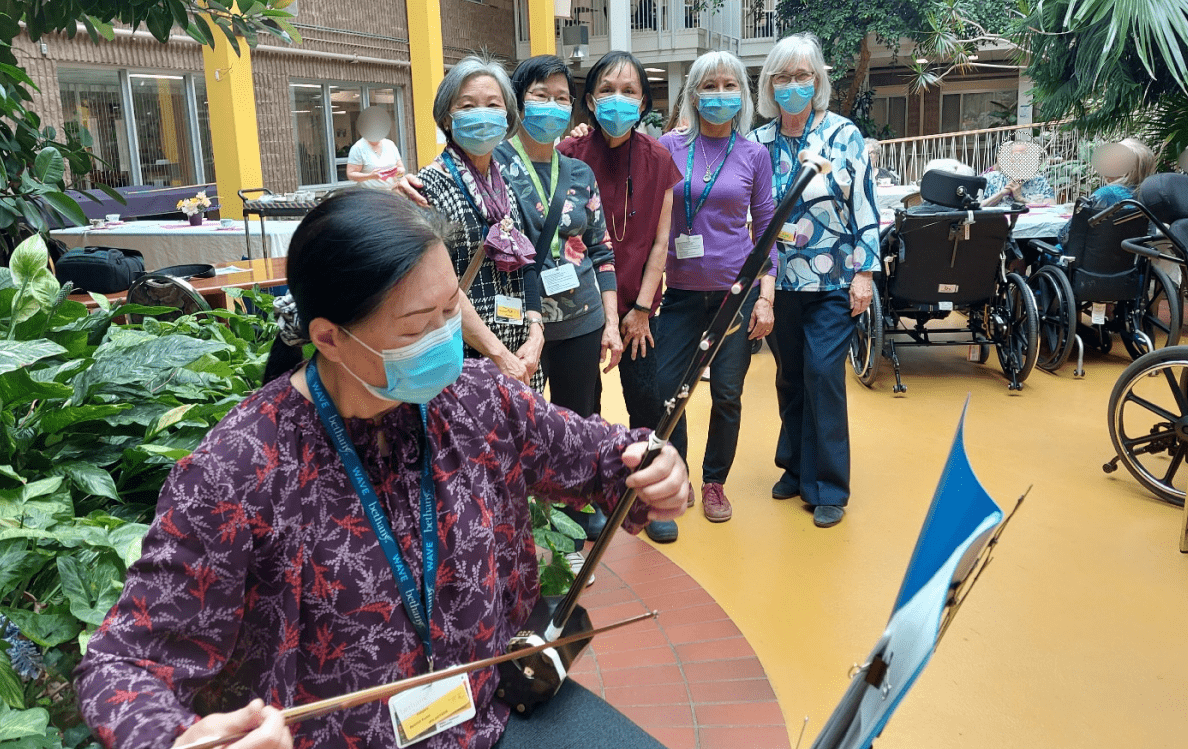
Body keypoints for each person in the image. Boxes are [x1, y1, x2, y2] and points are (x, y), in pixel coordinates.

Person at [73, 190, 689, 749]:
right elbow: (121, 666)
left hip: (490, 717)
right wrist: (177, 739)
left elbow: (603, 458)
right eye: (422, 325)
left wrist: (654, 469)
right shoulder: (239, 471)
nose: (450, 335)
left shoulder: (478, 400)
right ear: (330, 338)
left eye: (453, 308)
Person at [748, 32, 879, 528]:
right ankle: (795, 466)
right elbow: (752, 217)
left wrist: (864, 272)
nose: (792, 85)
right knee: (790, 375)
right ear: (769, 85)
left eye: (803, 76)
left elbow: (865, 206)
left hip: (835, 279)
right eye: (782, 77)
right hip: (778, 283)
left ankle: (828, 485)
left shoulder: (844, 134)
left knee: (823, 373)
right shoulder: (758, 142)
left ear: (818, 80)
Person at [493, 55, 623, 543]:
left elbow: (601, 249)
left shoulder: (579, 172)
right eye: (540, 96)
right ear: (517, 103)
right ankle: (524, 511)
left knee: (577, 417)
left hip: (582, 315)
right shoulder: (493, 165)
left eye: (562, 98)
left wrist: (611, 320)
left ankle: (575, 503)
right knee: (521, 418)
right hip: (517, 325)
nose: (552, 106)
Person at [557, 51, 684, 543]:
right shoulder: (569, 155)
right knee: (580, 405)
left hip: (638, 308)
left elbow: (660, 242)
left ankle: (649, 496)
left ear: (644, 103)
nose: (618, 100)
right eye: (607, 90)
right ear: (589, 100)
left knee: (646, 399)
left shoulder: (659, 159)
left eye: (629, 91)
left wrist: (641, 310)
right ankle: (583, 496)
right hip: (580, 310)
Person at [656, 49, 775, 526]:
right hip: (680, 293)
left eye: (730, 86)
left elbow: (767, 225)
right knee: (670, 388)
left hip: (735, 294)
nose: (719, 95)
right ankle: (679, 471)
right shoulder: (668, 146)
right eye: (710, 86)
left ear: (743, 95)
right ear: (693, 94)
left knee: (727, 393)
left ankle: (713, 481)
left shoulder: (754, 154)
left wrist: (765, 295)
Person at [417, 55, 545, 390]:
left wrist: (536, 329)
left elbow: (525, 259)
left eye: (492, 104)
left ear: (508, 116)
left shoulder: (507, 182)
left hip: (520, 354)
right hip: (468, 360)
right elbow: (439, 287)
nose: (482, 113)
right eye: (468, 105)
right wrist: (500, 356)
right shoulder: (427, 187)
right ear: (448, 116)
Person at [981, 140, 1055, 206]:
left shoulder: (1039, 180)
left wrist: (1021, 199)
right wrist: (1002, 193)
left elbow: (1052, 206)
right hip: (999, 220)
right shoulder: (990, 178)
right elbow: (976, 207)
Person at [346, 106, 404, 190]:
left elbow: (401, 167)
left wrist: (400, 172)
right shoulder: (358, 148)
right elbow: (351, 175)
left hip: (392, 192)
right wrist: (370, 176)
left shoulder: (390, 144)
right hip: (369, 194)